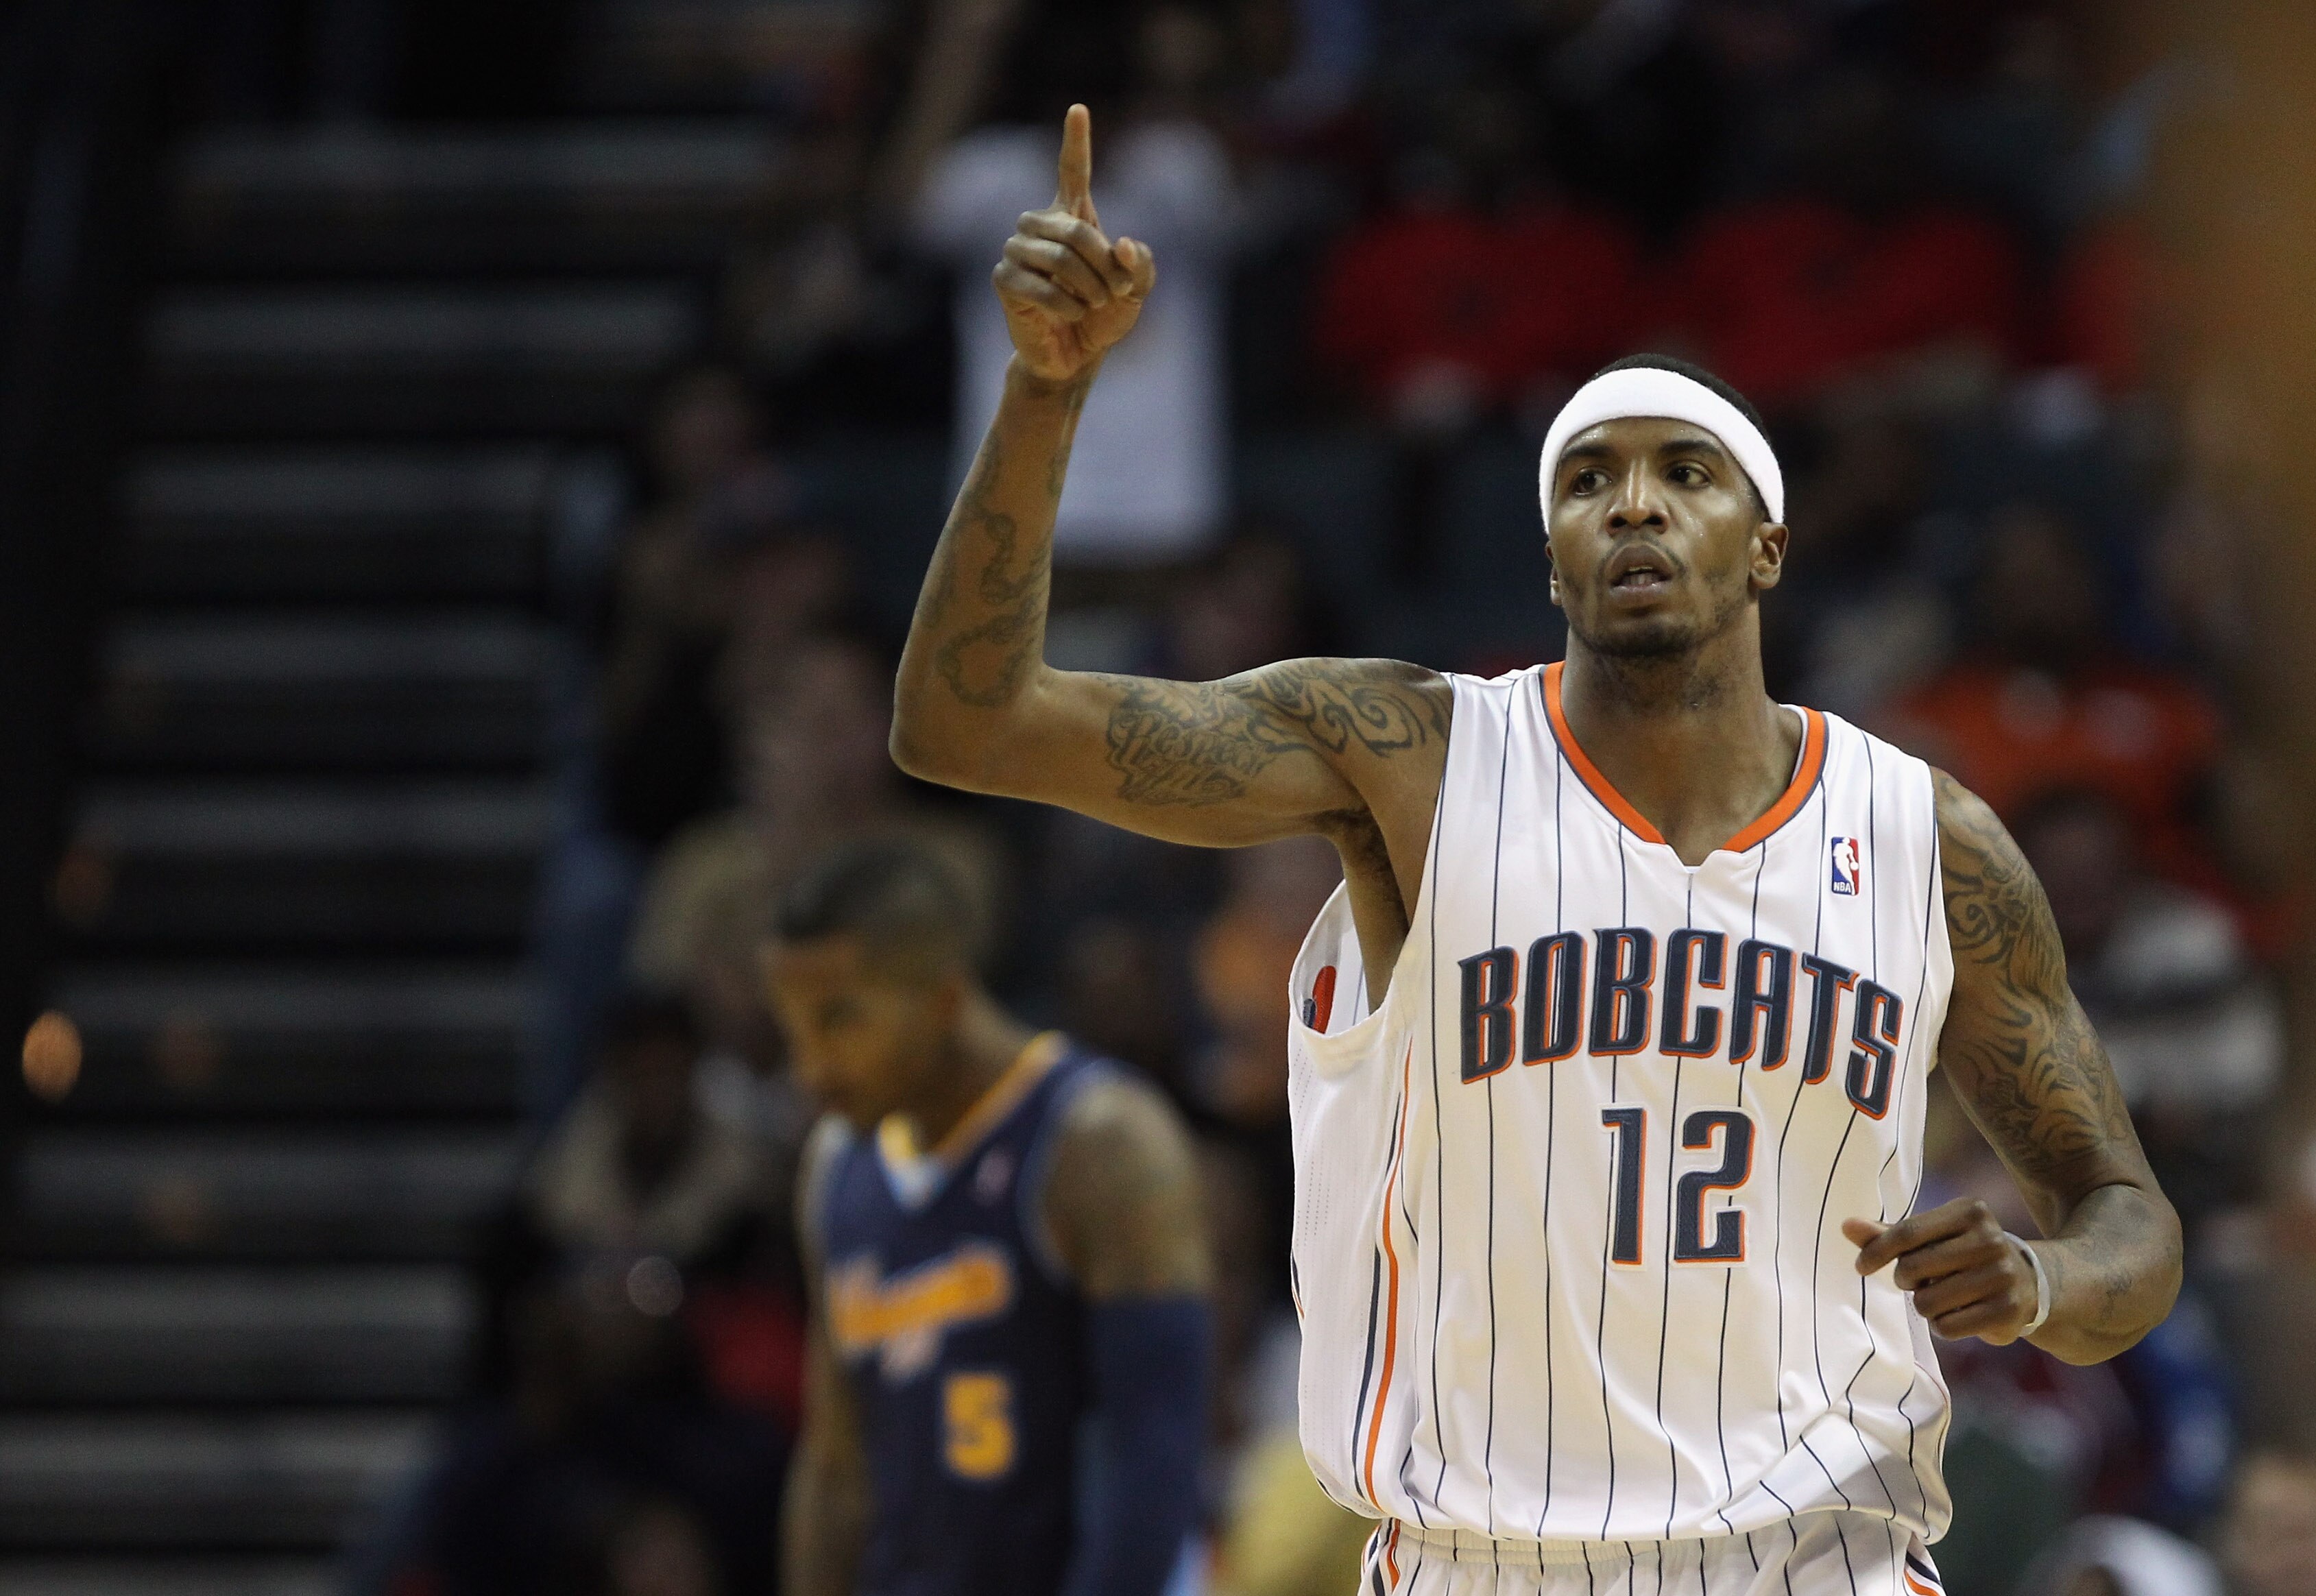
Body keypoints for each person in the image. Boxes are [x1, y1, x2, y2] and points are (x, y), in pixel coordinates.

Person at [882, 104, 2183, 1592]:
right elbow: (965, 726)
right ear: (1551, 550)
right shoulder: (1408, 759)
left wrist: (2044, 1279)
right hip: (1484, 1557)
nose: (1634, 501)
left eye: (1685, 473)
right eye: (1590, 478)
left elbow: (2128, 1220)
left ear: (1766, 543)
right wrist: (1046, 396)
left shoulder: (1924, 838)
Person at [764, 841, 1214, 1596]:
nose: (812, 1069)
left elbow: (1155, 1461)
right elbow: (837, 1471)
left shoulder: (1101, 1139)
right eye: (795, 1030)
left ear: (943, 998)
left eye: (841, 1022)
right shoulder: (835, 1166)